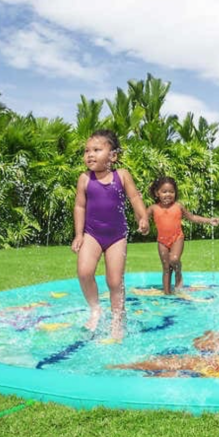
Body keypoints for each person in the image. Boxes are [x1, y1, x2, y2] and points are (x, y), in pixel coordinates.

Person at [71, 129, 149, 335]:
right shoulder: (85, 179)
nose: (90, 154)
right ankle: (95, 310)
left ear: (113, 156)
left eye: (97, 149)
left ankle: (117, 317)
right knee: (84, 272)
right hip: (92, 234)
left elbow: (134, 198)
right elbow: (79, 206)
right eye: (87, 150)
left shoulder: (121, 176)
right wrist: (79, 234)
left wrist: (143, 217)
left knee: (114, 280)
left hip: (117, 237)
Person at [146, 176, 219, 294]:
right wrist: (142, 225)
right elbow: (142, 219)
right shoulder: (153, 208)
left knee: (174, 259)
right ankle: (167, 294)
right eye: (164, 192)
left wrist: (209, 220)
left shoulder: (178, 206)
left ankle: (178, 272)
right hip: (162, 241)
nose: (168, 194)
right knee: (166, 268)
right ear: (157, 193)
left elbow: (192, 217)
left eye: (171, 192)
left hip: (177, 238)